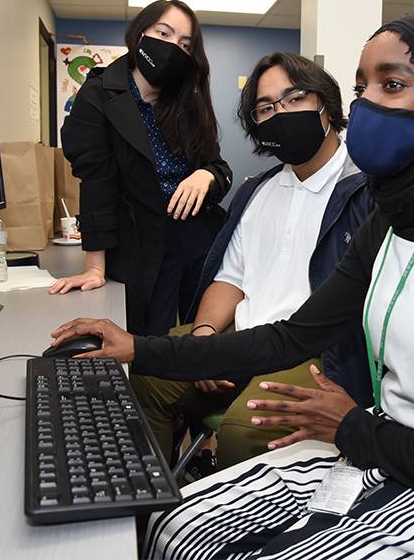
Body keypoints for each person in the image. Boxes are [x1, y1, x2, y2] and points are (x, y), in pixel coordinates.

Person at [51, 12, 414, 559]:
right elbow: (290, 336)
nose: (367, 104)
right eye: (363, 86)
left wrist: (351, 427)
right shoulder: (395, 219)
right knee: (175, 528)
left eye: (392, 84)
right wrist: (139, 348)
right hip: (390, 450)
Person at [130, 52, 374, 471]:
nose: (280, 114)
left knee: (246, 429)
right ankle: (149, 506)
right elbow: (231, 278)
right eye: (265, 108)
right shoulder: (255, 192)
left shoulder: (367, 192)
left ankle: (232, 528)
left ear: (326, 105)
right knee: (146, 377)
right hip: (243, 336)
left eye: (294, 98)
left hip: (316, 351)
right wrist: (206, 337)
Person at [50, 0, 232, 336]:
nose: (173, 48)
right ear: (140, 34)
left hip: (198, 238)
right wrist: (94, 267)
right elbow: (97, 183)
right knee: (150, 342)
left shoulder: (186, 102)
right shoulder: (99, 96)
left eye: (185, 44)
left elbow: (219, 168)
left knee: (204, 339)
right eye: (164, 33)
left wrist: (205, 175)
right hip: (141, 244)